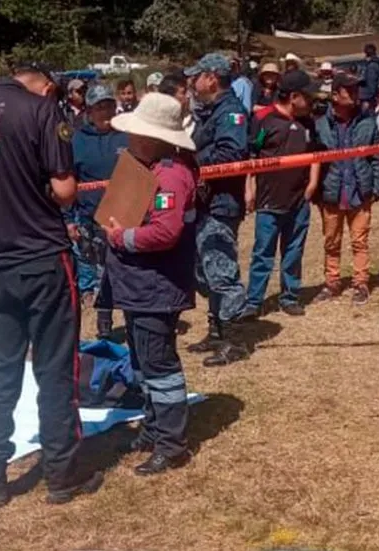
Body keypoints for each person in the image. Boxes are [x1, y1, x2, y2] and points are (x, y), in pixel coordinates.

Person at [0, 62, 104, 507]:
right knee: (55, 369)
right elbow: (66, 191)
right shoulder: (41, 111)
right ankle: (61, 476)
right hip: (45, 259)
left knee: (1, 370)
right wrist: (28, 195)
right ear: (47, 87)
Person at [103, 94, 199, 475]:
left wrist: (121, 238)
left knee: (160, 365)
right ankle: (155, 425)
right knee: (143, 362)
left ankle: (171, 443)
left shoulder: (170, 174)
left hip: (156, 285)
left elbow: (165, 232)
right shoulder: (151, 168)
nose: (129, 141)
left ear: (152, 138)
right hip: (140, 284)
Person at [185, 52, 251, 366]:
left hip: (221, 202)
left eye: (196, 75)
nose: (192, 82)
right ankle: (216, 331)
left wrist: (194, 164)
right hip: (206, 202)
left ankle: (234, 340)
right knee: (206, 271)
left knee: (221, 270)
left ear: (212, 77)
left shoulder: (231, 112)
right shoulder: (211, 112)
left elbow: (232, 154)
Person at [242, 69, 321, 320]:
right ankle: (254, 301)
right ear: (294, 96)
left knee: (294, 250)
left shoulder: (308, 122)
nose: (313, 102)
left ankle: (290, 296)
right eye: (309, 97)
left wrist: (312, 184)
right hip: (268, 199)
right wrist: (249, 187)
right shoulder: (264, 119)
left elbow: (316, 153)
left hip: (298, 200)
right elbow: (252, 154)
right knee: (263, 252)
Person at [314, 72, 379, 306]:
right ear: (335, 94)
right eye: (349, 90)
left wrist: (376, 188)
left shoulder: (367, 122)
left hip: (359, 191)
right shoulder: (320, 125)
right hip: (331, 192)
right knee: (331, 241)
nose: (355, 95)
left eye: (357, 90)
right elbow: (314, 160)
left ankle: (361, 282)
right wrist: (317, 193)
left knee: (360, 241)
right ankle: (332, 282)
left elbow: (376, 157)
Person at [68, 84, 128, 338]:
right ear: (89, 111)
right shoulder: (77, 141)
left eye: (109, 106)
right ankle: (104, 322)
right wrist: (69, 220)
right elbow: (68, 181)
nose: (106, 112)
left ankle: (134, 318)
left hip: (127, 217)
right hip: (92, 220)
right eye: (99, 107)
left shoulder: (127, 135)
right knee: (102, 274)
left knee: (128, 272)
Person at [360, 44, 379, 112]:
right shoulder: (372, 65)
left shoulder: (371, 67)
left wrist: (366, 98)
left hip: (368, 100)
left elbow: (371, 86)